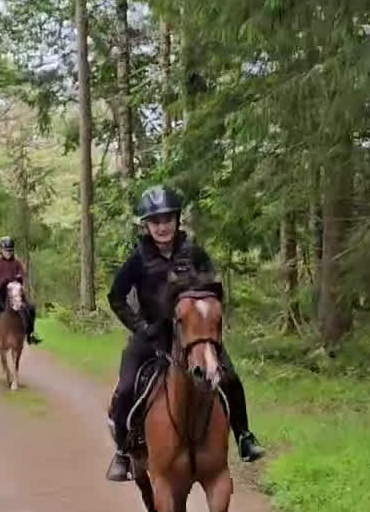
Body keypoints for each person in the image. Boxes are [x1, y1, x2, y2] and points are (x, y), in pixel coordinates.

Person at [105, 185, 263, 482]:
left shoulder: (195, 254)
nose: (162, 227)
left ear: (177, 220)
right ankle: (123, 452)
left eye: (167, 219)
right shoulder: (137, 259)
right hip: (151, 336)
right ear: (147, 225)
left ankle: (244, 436)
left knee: (229, 377)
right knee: (126, 388)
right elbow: (116, 297)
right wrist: (140, 327)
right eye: (155, 221)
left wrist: (208, 327)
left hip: (193, 336)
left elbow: (213, 292)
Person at [0, 236, 41, 347]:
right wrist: (1, 284)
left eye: (10, 251)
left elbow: (22, 274)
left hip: (16, 291)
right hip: (1, 292)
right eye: (6, 251)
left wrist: (19, 279)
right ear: (1, 250)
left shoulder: (17, 261)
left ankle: (30, 333)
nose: (8, 253)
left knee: (31, 308)